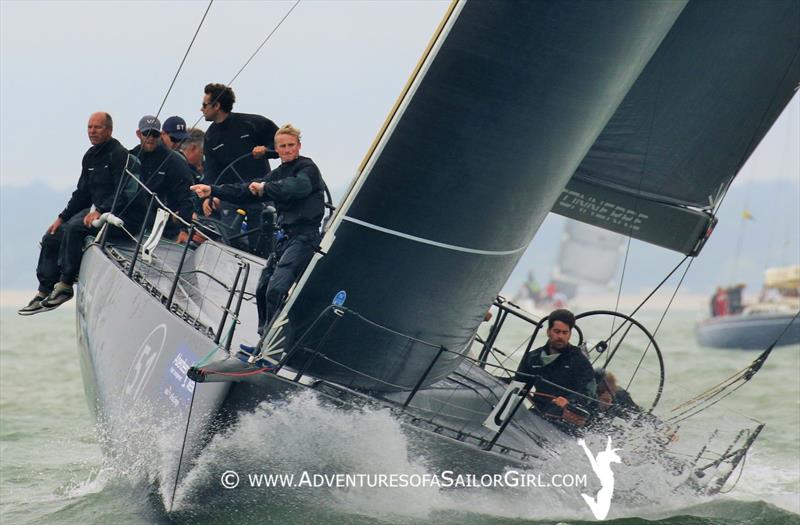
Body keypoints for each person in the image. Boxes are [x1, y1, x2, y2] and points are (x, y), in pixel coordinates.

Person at [191, 124, 325, 334]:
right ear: (277, 149)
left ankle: (278, 340)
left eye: (291, 145)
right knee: (262, 288)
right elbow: (245, 190)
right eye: (282, 146)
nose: (287, 149)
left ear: (299, 146)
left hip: (304, 237)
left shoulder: (307, 168)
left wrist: (266, 188)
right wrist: (213, 190)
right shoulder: (277, 173)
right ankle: (264, 337)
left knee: (276, 289)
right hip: (286, 238)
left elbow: (297, 187)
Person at [18, 112, 132, 315]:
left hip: (115, 214)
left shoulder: (119, 154)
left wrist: (101, 210)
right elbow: (82, 194)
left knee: (74, 228)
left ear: (109, 130)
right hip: (94, 211)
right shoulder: (90, 156)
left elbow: (122, 191)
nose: (92, 131)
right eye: (89, 127)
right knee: (53, 234)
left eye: (97, 127)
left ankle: (65, 284)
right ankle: (44, 290)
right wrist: (61, 217)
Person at [200, 83, 279, 256]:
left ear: (217, 105)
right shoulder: (211, 136)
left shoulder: (252, 123)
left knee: (264, 245)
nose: (201, 109)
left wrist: (267, 150)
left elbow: (282, 143)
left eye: (205, 105)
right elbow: (211, 172)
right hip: (231, 196)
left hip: (259, 194)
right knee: (231, 242)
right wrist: (211, 196)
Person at [515, 309, 596, 419]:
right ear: (548, 332)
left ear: (570, 334)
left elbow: (589, 392)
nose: (560, 336)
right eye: (557, 331)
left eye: (564, 333)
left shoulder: (578, 360)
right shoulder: (533, 357)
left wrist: (569, 401)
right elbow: (518, 384)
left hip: (565, 419)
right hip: (538, 414)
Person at [127, 115, 195, 243]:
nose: (151, 138)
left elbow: (186, 196)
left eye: (155, 134)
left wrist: (184, 230)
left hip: (164, 229)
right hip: (132, 225)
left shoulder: (175, 161)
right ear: (138, 133)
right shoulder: (129, 158)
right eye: (147, 133)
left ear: (161, 134)